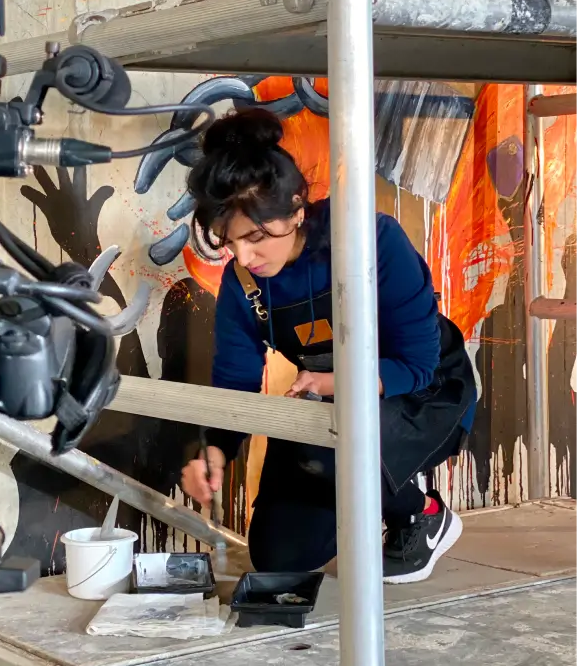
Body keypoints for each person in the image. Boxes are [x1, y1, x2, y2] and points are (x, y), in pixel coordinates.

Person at [180, 108, 477, 583]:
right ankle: (357, 486)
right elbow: (235, 381)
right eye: (229, 241)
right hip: (331, 399)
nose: (244, 257)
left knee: (335, 441)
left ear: (297, 209)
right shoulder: (242, 278)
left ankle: (420, 511)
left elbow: (418, 364)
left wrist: (330, 381)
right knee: (279, 557)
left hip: (425, 390)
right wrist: (214, 449)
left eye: (256, 236)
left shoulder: (370, 238)